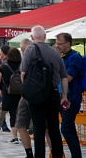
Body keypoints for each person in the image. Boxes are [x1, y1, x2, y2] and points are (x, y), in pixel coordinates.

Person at [20, 25, 68, 158]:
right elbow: (64, 76)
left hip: (35, 95)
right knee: (54, 128)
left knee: (38, 128)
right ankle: (58, 155)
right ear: (45, 36)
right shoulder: (54, 52)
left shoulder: (30, 49)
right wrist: (64, 96)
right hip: (53, 94)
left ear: (32, 37)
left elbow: (23, 73)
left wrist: (26, 92)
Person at [55, 32, 83, 158]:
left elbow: (69, 77)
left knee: (66, 127)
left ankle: (76, 155)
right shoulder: (63, 57)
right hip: (62, 96)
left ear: (68, 43)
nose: (57, 46)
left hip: (71, 97)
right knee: (68, 127)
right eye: (56, 44)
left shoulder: (74, 57)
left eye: (60, 44)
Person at [0, 47, 22, 144]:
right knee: (21, 115)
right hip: (21, 93)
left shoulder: (3, 66)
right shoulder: (22, 65)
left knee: (12, 115)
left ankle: (15, 137)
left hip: (8, 93)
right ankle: (23, 135)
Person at [15, 38, 34, 157]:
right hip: (40, 95)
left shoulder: (27, 60)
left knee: (21, 124)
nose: (23, 53)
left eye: (23, 50)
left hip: (29, 95)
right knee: (21, 124)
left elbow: (22, 75)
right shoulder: (48, 56)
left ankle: (29, 154)